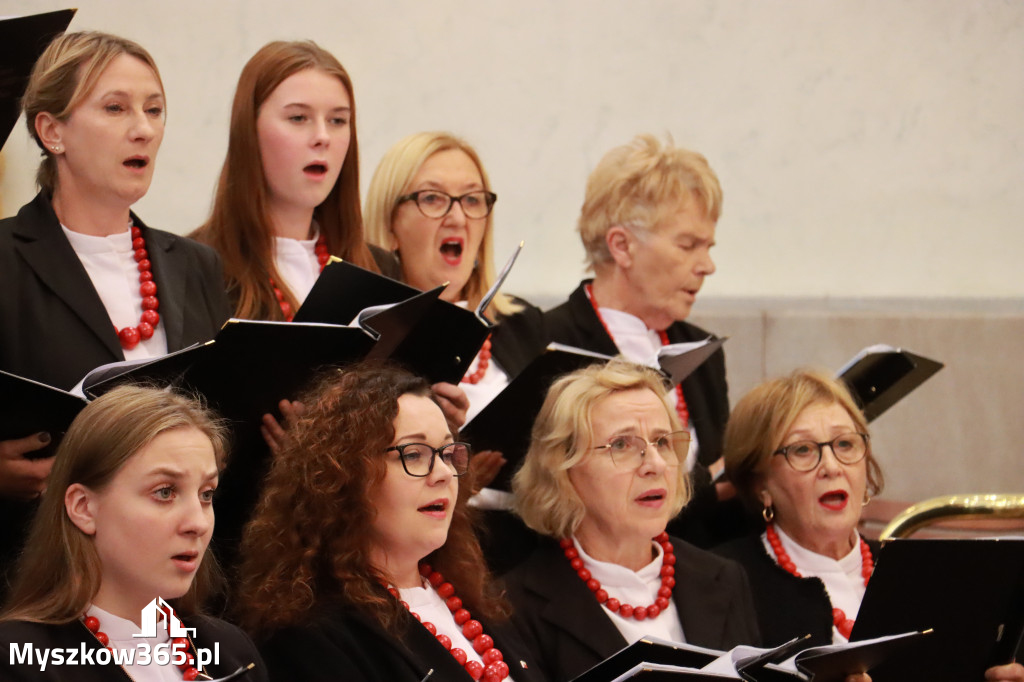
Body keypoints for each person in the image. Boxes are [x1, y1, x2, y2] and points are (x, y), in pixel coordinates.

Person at [0, 31, 230, 596]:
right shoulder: (5, 259)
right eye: (116, 108)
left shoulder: (195, 265)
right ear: (52, 131)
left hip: (184, 585)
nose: (144, 128)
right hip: (43, 579)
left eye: (154, 110)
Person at [234, 364, 542, 682]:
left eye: (447, 453)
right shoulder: (310, 637)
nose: (444, 474)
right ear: (343, 476)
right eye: (413, 454)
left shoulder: (476, 599)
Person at [714, 369, 1024, 681]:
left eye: (845, 444)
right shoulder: (724, 583)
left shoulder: (920, 572)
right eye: (803, 450)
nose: (832, 467)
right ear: (760, 485)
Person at [541, 133, 750, 549]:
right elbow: (557, 497)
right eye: (688, 245)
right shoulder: (549, 342)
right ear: (622, 246)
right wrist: (714, 484)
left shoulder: (701, 348)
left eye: (707, 246)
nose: (707, 265)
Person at [503, 359, 759, 682]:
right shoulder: (515, 606)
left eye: (663, 442)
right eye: (622, 444)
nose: (654, 464)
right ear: (562, 468)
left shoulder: (723, 577)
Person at [0, 385, 267, 681]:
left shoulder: (230, 651)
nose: (199, 523)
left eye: (206, 495)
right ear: (84, 507)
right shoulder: (17, 661)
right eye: (165, 492)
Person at [192, 40, 397, 324]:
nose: (323, 137)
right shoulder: (195, 268)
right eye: (299, 118)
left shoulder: (380, 270)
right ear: (249, 132)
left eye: (337, 120)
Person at [364, 131, 547, 421]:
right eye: (433, 198)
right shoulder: (367, 334)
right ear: (390, 226)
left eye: (472, 200)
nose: (458, 218)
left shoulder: (523, 323)